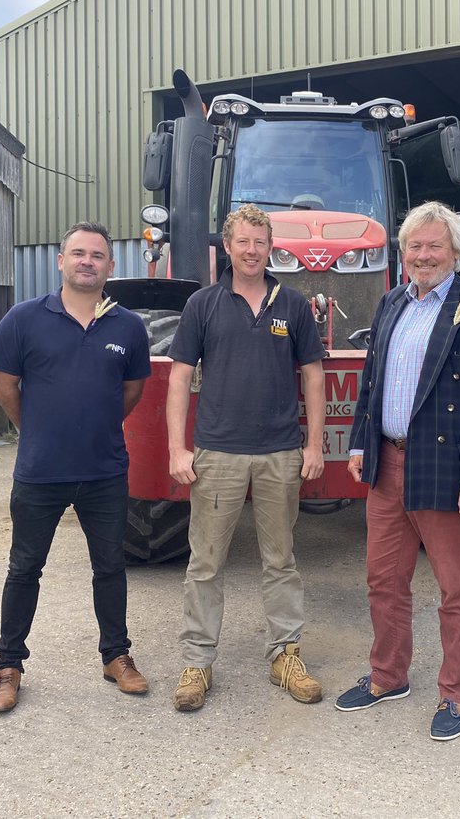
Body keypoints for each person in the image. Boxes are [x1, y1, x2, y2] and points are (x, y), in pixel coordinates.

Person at [334, 201, 460, 741]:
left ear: (456, 253)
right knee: (383, 579)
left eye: (434, 245)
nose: (422, 255)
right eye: (414, 246)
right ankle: (388, 675)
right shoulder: (393, 302)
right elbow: (373, 381)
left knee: (455, 587)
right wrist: (360, 443)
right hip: (387, 463)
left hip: (444, 467)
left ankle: (458, 693)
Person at [0, 221, 152, 713]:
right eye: (77, 253)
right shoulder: (23, 319)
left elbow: (131, 392)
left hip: (104, 471)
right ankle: (9, 665)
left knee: (111, 567)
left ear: (109, 267)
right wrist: (36, 429)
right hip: (40, 471)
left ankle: (116, 656)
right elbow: (4, 386)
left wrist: (93, 427)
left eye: (96, 255)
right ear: (61, 261)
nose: (87, 261)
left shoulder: (128, 326)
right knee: (24, 569)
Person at [166, 203, 327, 711]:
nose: (252, 251)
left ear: (270, 246)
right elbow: (178, 379)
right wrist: (178, 447)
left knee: (280, 560)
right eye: (243, 242)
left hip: (280, 452)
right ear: (228, 247)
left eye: (260, 242)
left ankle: (285, 654)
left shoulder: (294, 306)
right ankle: (197, 662)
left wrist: (315, 445)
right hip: (218, 454)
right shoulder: (203, 305)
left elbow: (314, 376)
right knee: (206, 563)